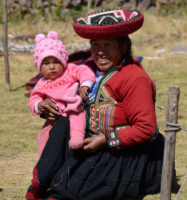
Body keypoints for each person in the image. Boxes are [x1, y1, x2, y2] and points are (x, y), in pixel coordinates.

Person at [26, 9, 174, 200]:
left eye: (108, 45)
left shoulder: (135, 78)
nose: (101, 51)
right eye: (96, 45)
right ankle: (42, 181)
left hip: (125, 148)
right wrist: (45, 104)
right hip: (90, 140)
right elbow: (58, 91)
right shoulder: (86, 69)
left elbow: (146, 128)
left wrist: (105, 140)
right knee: (63, 126)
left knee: (82, 185)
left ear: (123, 47)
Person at [29, 31, 95, 157]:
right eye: (46, 63)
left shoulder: (70, 70)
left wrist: (85, 85)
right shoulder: (41, 83)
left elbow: (85, 71)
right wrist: (38, 105)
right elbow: (34, 98)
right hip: (55, 115)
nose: (52, 67)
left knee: (78, 121)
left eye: (56, 62)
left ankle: (77, 138)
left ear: (63, 61)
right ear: (39, 67)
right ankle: (45, 158)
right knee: (44, 134)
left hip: (73, 108)